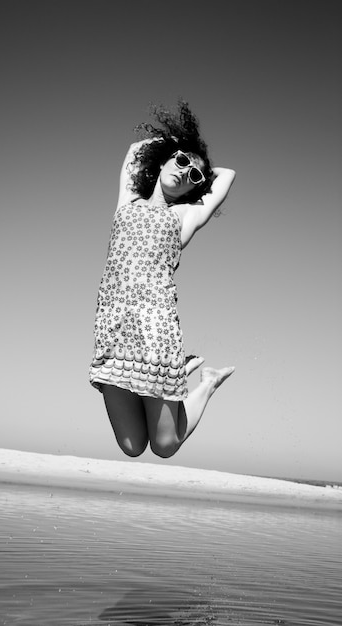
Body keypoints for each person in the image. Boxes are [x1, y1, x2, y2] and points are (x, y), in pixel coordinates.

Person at [89, 100, 236, 459]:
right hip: (114, 328)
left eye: (195, 176)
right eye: (182, 161)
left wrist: (195, 166)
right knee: (132, 447)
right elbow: (136, 151)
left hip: (157, 332)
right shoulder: (128, 201)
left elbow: (227, 174)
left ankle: (207, 383)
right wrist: (175, 144)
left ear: (194, 189)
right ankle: (178, 373)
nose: (185, 172)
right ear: (165, 160)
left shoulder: (184, 216)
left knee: (165, 446)